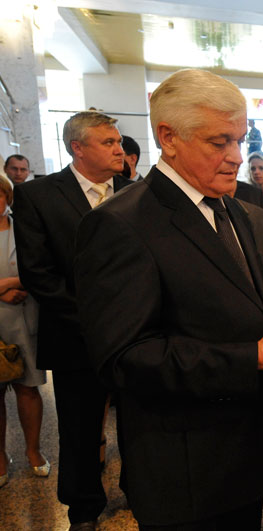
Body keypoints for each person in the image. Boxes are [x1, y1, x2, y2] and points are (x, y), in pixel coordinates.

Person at [73, 69, 263, 529]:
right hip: (185, 465)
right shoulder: (120, 224)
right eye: (220, 142)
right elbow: (124, 358)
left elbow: (252, 301)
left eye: (240, 140)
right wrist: (253, 358)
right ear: (168, 137)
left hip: (248, 452)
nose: (237, 156)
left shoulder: (242, 213)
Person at [12, 111, 132, 530]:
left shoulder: (136, 192)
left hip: (136, 333)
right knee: (80, 427)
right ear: (77, 148)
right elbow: (37, 272)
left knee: (138, 421)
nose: (119, 149)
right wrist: (95, 320)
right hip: (74, 332)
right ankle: (82, 508)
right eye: (108, 142)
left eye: (118, 141)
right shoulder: (39, 195)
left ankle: (140, 491)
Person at [0, 176, 49, 489]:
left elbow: (40, 267)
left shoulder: (24, 228)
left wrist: (9, 285)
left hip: (23, 317)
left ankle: (34, 451)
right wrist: (2, 292)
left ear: (8, 197)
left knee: (28, 389)